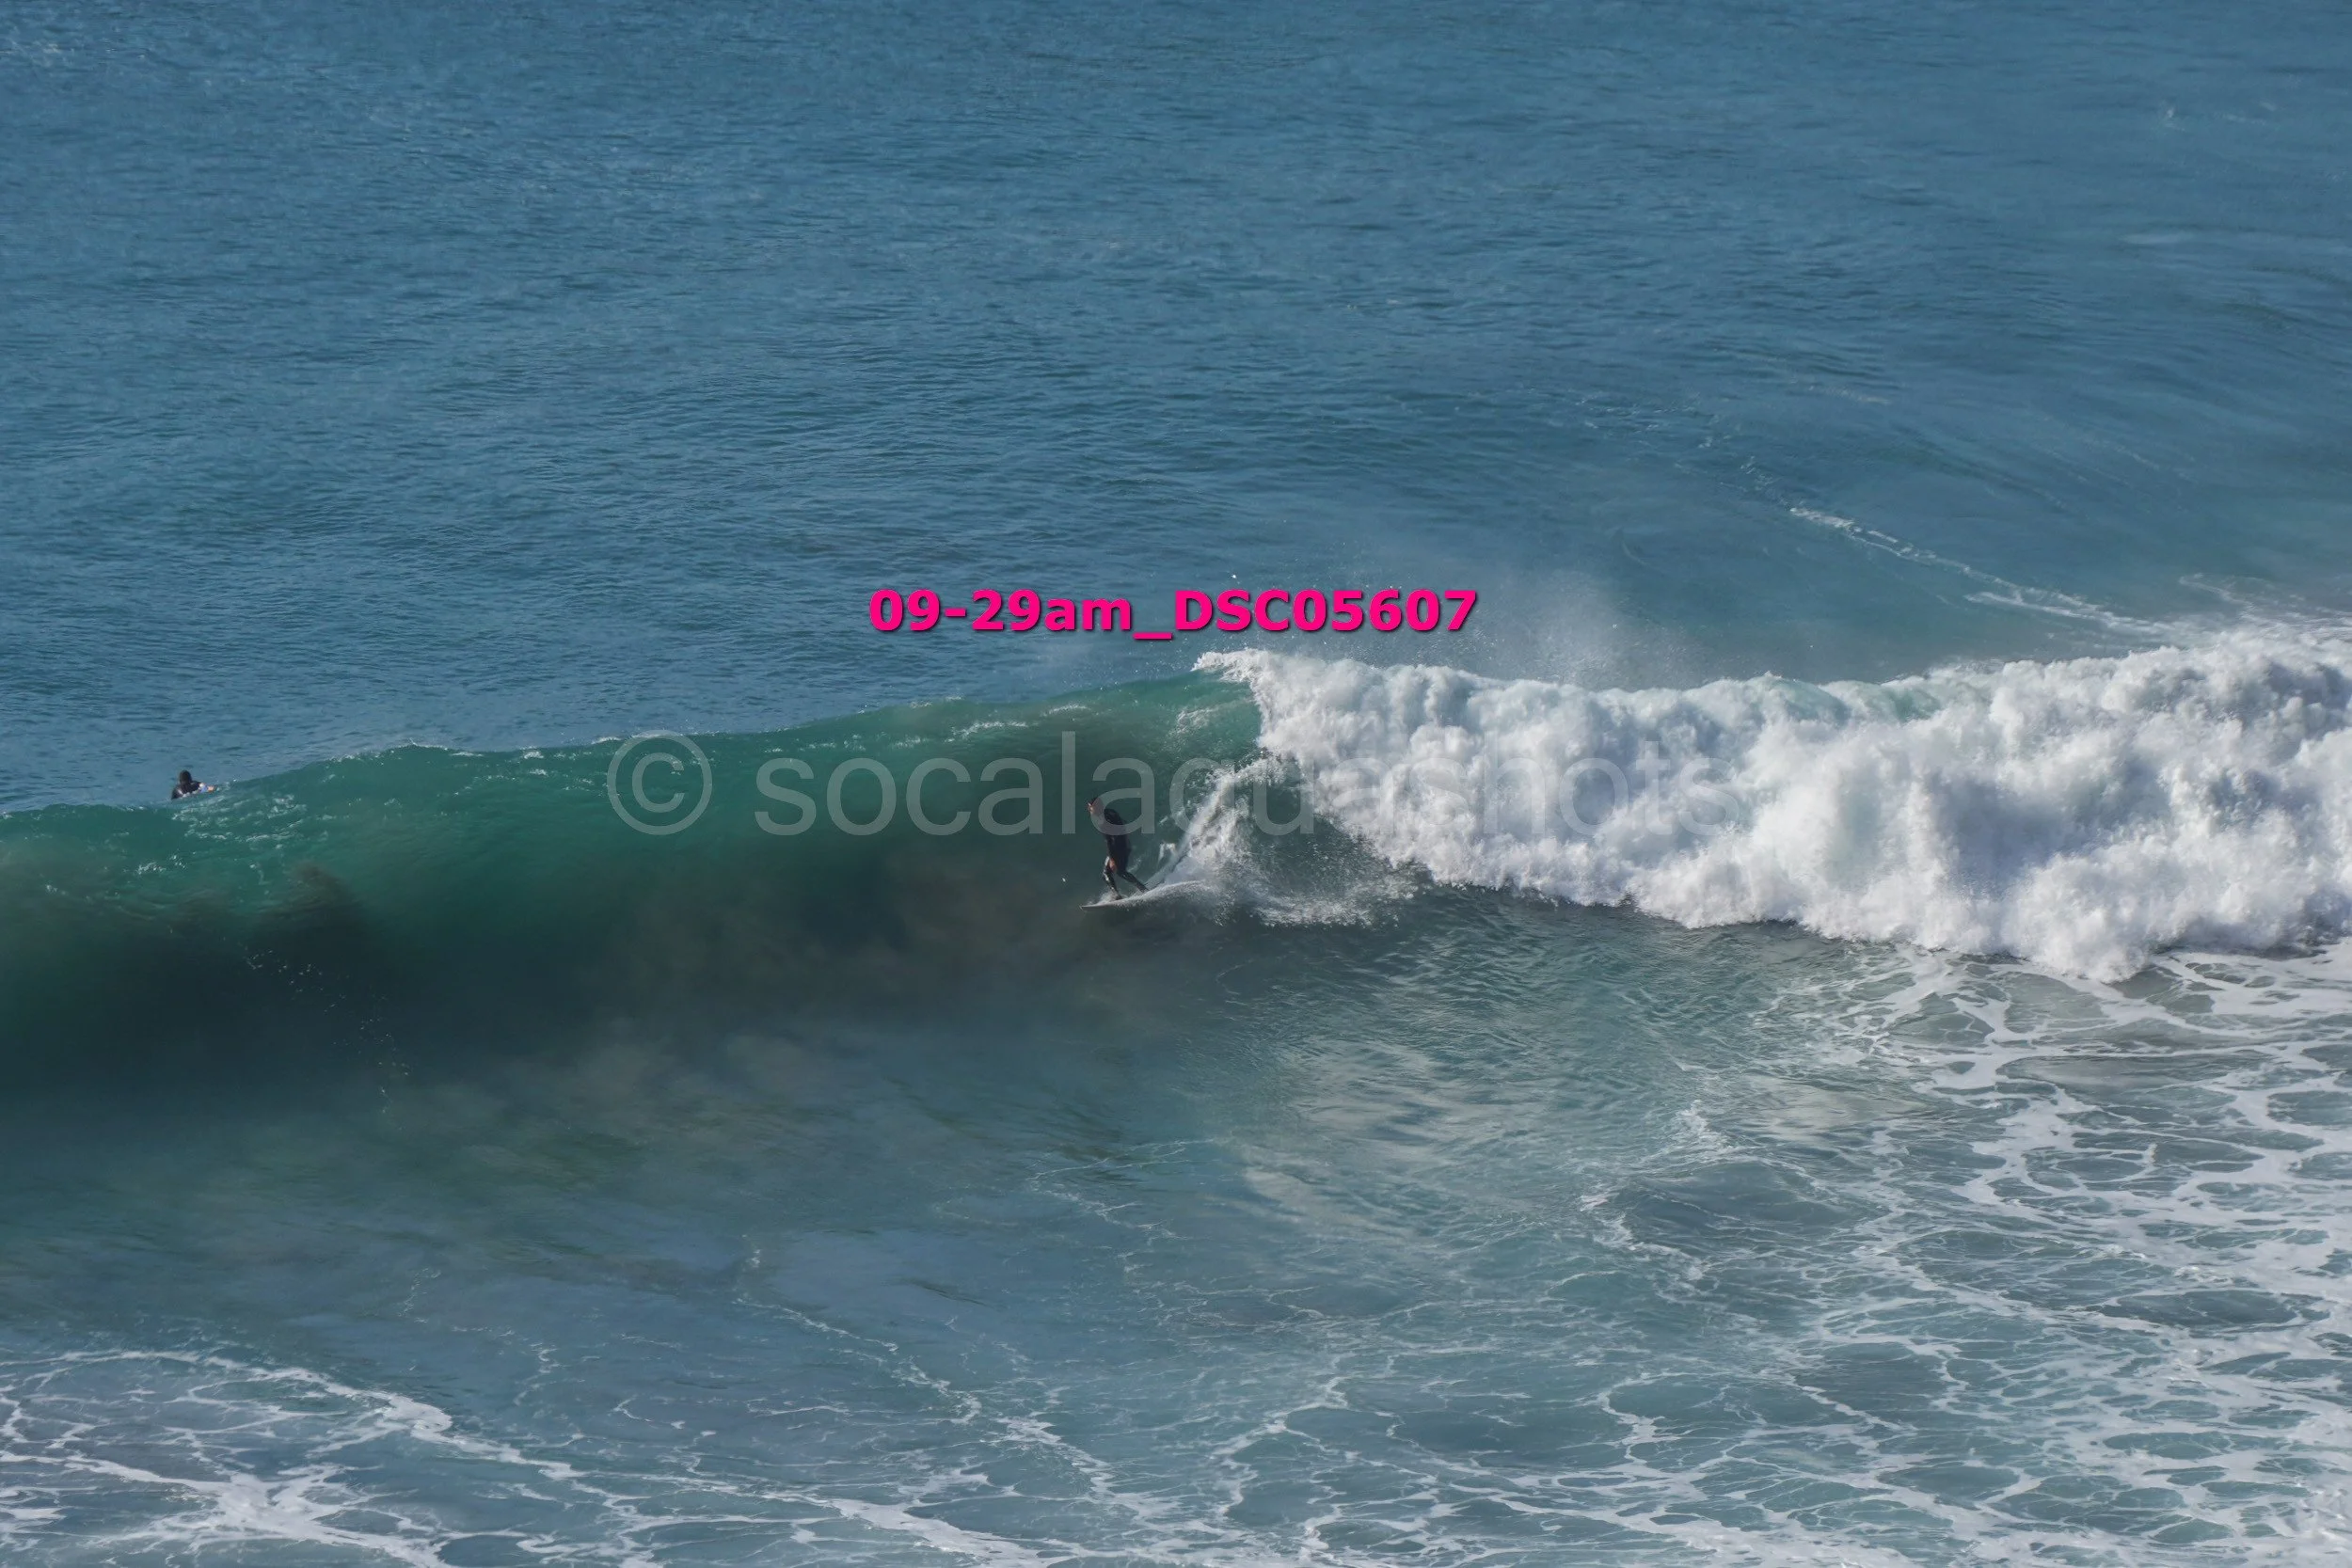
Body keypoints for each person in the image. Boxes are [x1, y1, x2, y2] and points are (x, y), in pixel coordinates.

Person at [1088, 797, 1149, 897]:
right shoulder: (1111, 812)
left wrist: (1112, 859)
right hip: (1125, 844)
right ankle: (1143, 889)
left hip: (1117, 848)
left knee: (1106, 873)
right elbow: (1123, 824)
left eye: (1091, 807)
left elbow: (1108, 840)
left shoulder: (1101, 820)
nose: (1089, 809)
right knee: (1121, 871)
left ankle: (1116, 895)